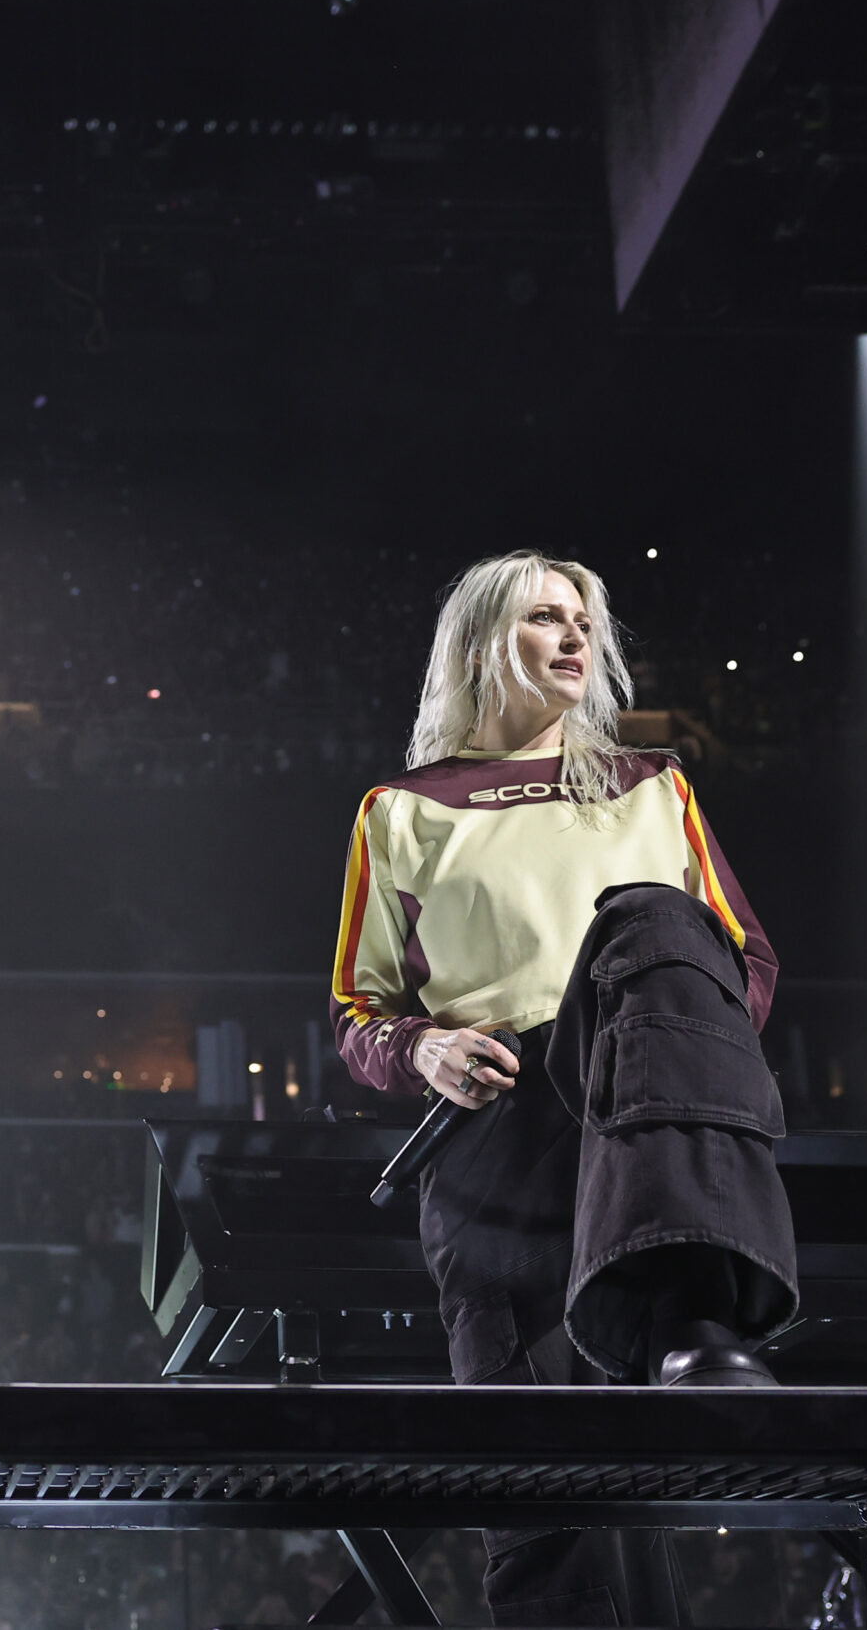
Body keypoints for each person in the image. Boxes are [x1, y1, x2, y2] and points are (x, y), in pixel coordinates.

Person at [330, 551, 790, 1627]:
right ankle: (686, 1327)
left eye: (585, 620)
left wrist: (658, 1046)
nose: (578, 637)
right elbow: (359, 1019)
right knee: (545, 1500)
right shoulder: (401, 813)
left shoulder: (652, 788)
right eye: (546, 618)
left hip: (642, 1106)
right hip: (495, 1140)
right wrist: (427, 1051)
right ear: (486, 642)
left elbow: (748, 969)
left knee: (653, 922)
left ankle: (691, 1318)